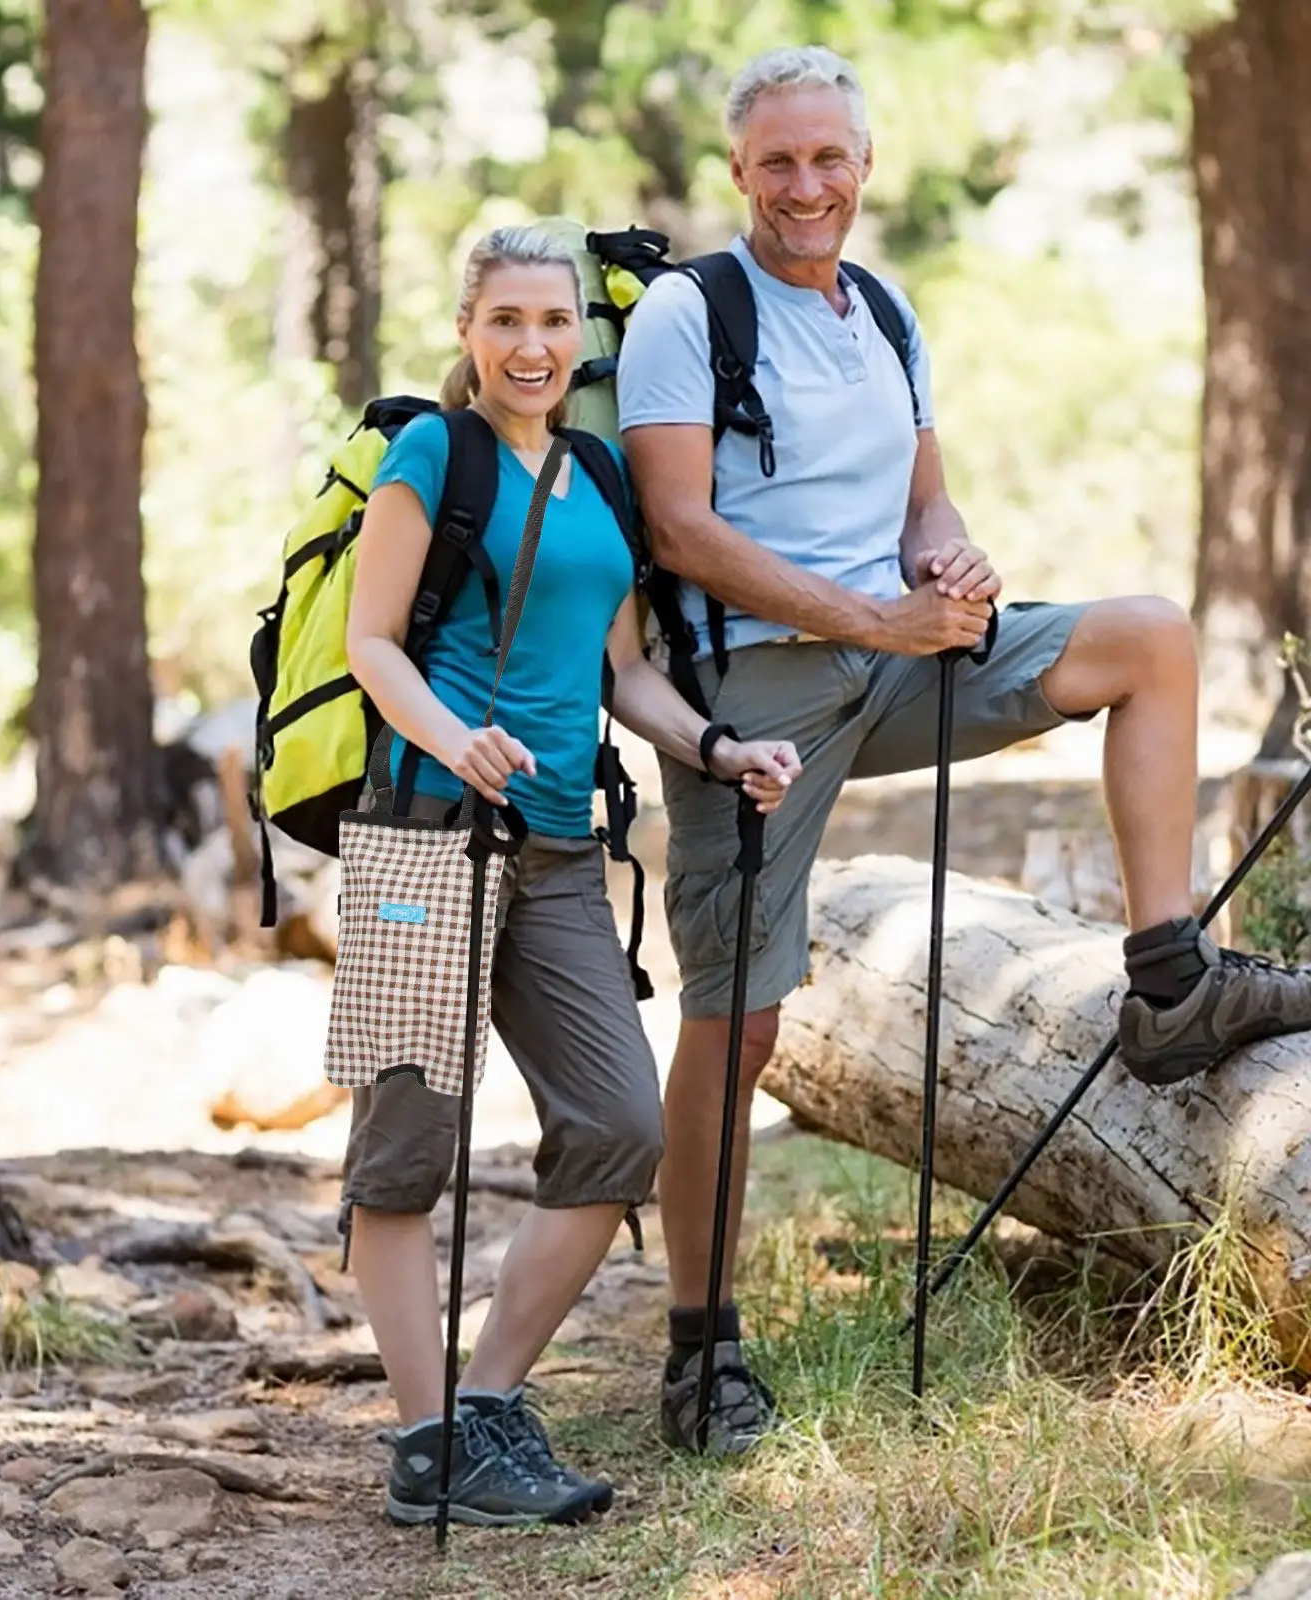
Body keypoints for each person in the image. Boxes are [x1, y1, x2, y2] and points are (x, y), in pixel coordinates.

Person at [616, 43, 1311, 1458]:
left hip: (902, 653)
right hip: (753, 694)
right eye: (780, 162)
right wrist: (877, 614)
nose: (808, 185)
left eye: (831, 159)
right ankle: (700, 1348)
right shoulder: (688, 314)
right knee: (736, 1023)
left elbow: (925, 500)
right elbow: (681, 530)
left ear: (864, 169)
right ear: (740, 173)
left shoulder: (883, 307)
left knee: (1148, 638)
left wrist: (953, 564)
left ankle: (1171, 978)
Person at [340, 224, 804, 1527]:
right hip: (420, 838)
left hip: (554, 853)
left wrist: (715, 745)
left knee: (620, 1128)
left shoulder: (598, 473)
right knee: (401, 1155)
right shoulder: (431, 454)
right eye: (506, 321)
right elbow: (371, 642)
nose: (533, 346)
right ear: (468, 331)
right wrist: (452, 737)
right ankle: (427, 1445)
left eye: (554, 323)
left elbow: (622, 670)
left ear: (577, 338)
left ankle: (486, 1410)